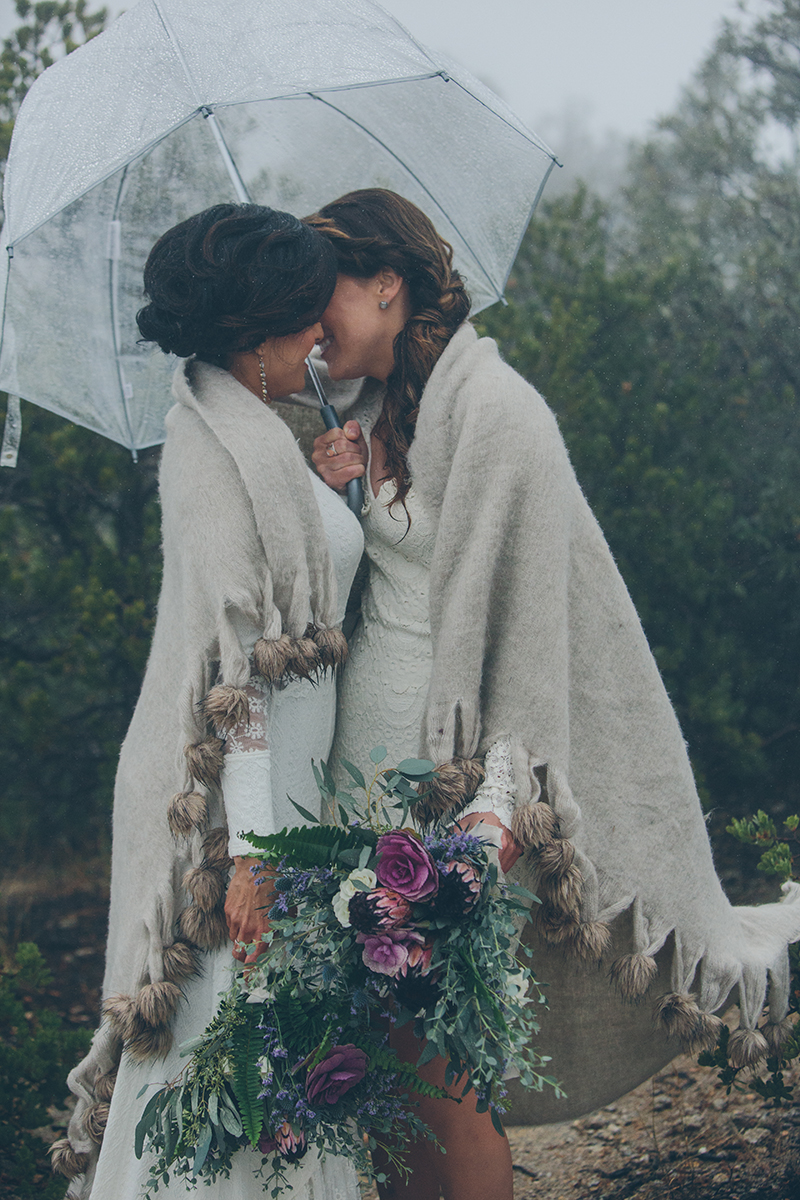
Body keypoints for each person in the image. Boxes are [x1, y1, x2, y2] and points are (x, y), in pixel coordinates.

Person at [306, 188, 800, 1200]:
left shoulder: (501, 418)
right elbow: (374, 596)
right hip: (359, 795)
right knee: (391, 1075)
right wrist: (333, 497)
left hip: (445, 807)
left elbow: (533, 639)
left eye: (328, 299)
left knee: (444, 1078)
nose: (314, 328)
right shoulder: (357, 413)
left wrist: (492, 822)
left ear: (388, 285)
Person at [51, 205, 364, 1200]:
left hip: (290, 804)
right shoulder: (211, 451)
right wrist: (256, 858)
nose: (323, 331)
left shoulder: (258, 441)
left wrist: (325, 495)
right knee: (229, 1067)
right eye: (307, 314)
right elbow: (240, 682)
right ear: (256, 327)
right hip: (246, 816)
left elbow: (288, 590)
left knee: (280, 1068)